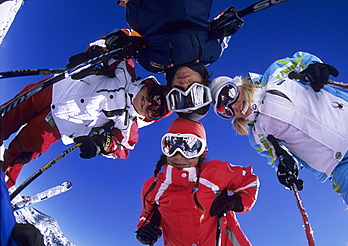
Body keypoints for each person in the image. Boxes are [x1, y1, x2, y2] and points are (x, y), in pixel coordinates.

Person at [210, 51, 348, 246]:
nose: (233, 105)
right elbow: (278, 159)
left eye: (229, 94)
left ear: (238, 85)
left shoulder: (275, 75)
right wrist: (286, 169)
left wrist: (314, 67)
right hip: (340, 166)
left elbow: (301, 59)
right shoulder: (257, 135)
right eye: (224, 109)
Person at [0, 58, 171, 188]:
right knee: (6, 117)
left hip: (58, 126)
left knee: (21, 153)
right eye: (154, 97)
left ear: (148, 117)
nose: (149, 103)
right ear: (149, 85)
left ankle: (3, 182)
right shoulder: (126, 72)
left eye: (154, 110)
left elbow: (123, 147)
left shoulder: (128, 123)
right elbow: (115, 46)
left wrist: (102, 144)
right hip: (55, 89)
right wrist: (95, 53)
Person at [103, 1, 244, 120]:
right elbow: (226, 22)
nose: (184, 84)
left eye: (177, 92)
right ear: (204, 83)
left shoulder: (152, 63)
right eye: (194, 90)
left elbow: (130, 37)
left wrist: (119, 41)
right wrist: (229, 22)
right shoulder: (212, 52)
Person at [135, 117, 259, 245]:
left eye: (189, 148)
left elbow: (249, 179)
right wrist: (145, 230)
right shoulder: (154, 186)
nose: (178, 155)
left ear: (202, 152)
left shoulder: (215, 172)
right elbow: (147, 214)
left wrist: (235, 202)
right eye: (171, 146)